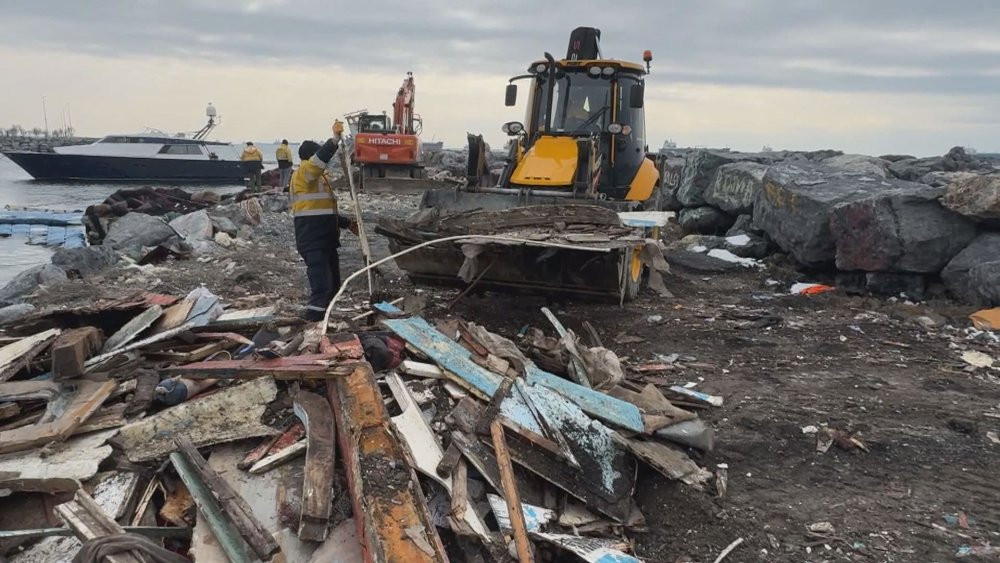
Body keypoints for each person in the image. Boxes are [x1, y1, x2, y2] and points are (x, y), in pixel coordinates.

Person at [290, 120, 358, 321]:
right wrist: (334, 140)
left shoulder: (318, 179)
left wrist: (346, 223)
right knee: (322, 285)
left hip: (324, 238)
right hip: (312, 238)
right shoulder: (304, 173)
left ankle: (324, 318)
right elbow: (318, 162)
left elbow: (322, 210)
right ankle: (313, 321)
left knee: (334, 284)